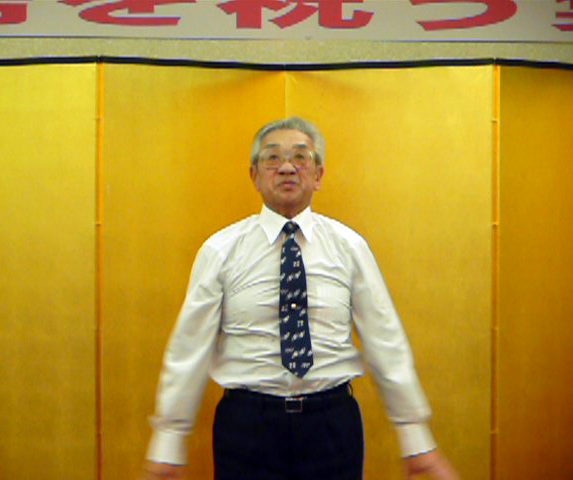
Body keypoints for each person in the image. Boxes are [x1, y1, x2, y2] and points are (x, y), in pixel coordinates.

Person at [141, 117, 459, 480]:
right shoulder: (220, 251)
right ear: (254, 175)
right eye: (272, 158)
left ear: (319, 174)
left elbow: (385, 340)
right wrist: (168, 440)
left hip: (331, 427)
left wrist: (415, 435)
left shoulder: (349, 247)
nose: (287, 167)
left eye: (300, 157)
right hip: (246, 429)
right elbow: (189, 348)